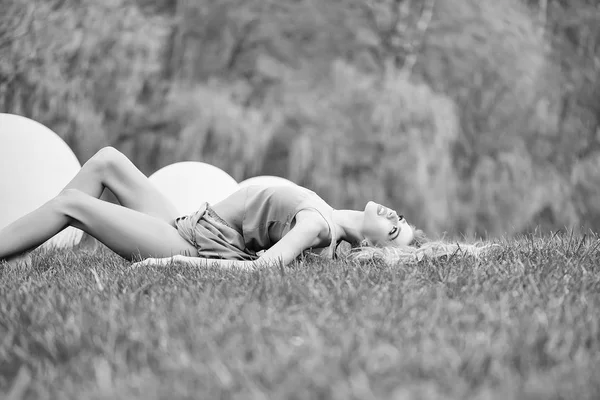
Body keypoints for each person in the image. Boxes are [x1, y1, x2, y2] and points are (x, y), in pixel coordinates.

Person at [0, 147, 487, 270]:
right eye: (402, 220)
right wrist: (449, 250)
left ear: (376, 247)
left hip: (192, 241)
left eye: (396, 231)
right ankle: (25, 244)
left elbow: (261, 270)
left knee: (73, 204)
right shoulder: (334, 214)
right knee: (107, 160)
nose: (395, 218)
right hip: (192, 219)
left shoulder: (317, 225)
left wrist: (173, 262)